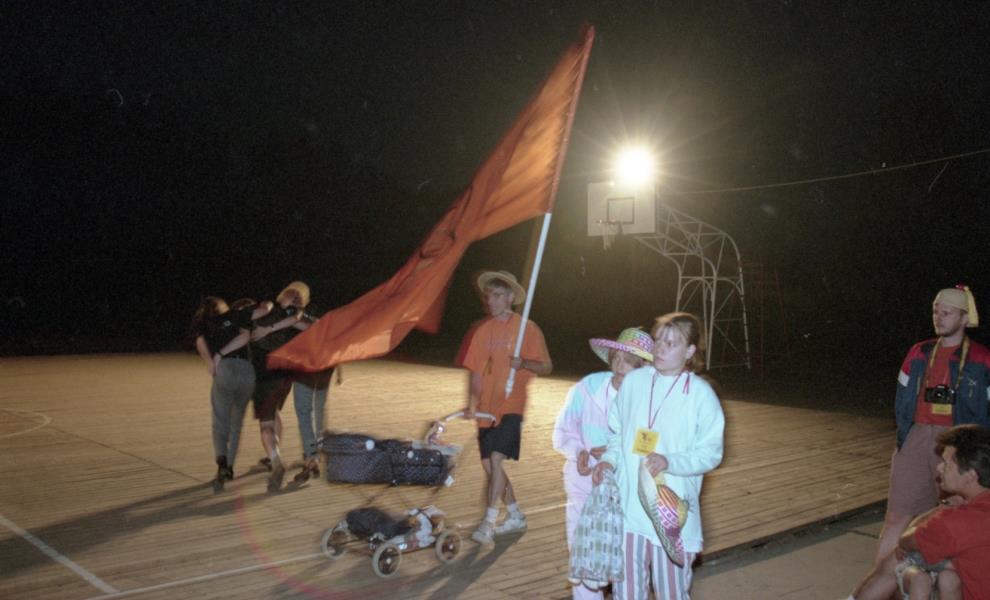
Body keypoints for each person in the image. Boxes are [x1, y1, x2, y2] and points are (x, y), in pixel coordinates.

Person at [592, 312, 725, 600]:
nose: (660, 348)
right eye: (658, 340)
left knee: (670, 594)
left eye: (671, 343)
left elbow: (711, 453)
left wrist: (670, 461)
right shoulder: (634, 382)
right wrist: (608, 461)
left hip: (671, 516)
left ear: (689, 351)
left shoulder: (701, 394)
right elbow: (618, 433)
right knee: (626, 594)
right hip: (629, 512)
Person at [876, 285, 990, 561]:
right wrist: (904, 436)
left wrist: (975, 453)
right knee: (896, 517)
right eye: (936, 311)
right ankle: (880, 580)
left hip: (957, 444)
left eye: (947, 312)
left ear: (965, 318)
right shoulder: (919, 352)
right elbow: (901, 399)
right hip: (916, 436)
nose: (938, 317)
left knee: (954, 515)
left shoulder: (982, 358)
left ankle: (946, 580)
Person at [553, 328, 654, 600]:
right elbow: (562, 431)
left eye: (629, 360)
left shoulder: (651, 400)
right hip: (583, 484)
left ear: (644, 367)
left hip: (626, 491)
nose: (620, 364)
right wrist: (578, 451)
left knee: (624, 559)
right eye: (616, 356)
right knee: (583, 553)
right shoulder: (587, 387)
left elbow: (649, 445)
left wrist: (615, 453)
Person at [458, 270, 552, 546]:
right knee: (490, 466)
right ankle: (515, 515)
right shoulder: (482, 331)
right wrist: (472, 403)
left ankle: (488, 522)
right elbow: (475, 372)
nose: (492, 301)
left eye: (498, 295)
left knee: (497, 459)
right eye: (489, 296)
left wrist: (524, 363)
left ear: (510, 298)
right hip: (486, 409)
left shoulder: (527, 329)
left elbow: (546, 366)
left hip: (512, 404)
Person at [844, 424, 990, 600]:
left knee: (902, 564)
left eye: (946, 463)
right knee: (946, 577)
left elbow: (906, 541)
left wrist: (943, 507)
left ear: (971, 475)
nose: (939, 468)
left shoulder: (957, 521)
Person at [190, 296, 271, 492]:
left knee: (220, 421)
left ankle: (222, 462)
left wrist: (212, 362)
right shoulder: (235, 315)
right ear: (222, 306)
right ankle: (230, 467)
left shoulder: (203, 324)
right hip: (246, 371)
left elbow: (200, 342)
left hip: (224, 371)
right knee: (236, 423)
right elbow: (263, 311)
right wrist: (267, 303)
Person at [250, 281, 310, 492]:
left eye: (294, 297)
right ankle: (272, 456)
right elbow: (312, 326)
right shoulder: (294, 319)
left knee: (266, 424)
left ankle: (276, 462)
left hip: (266, 376)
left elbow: (255, 316)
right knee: (274, 412)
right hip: (284, 377)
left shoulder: (269, 312)